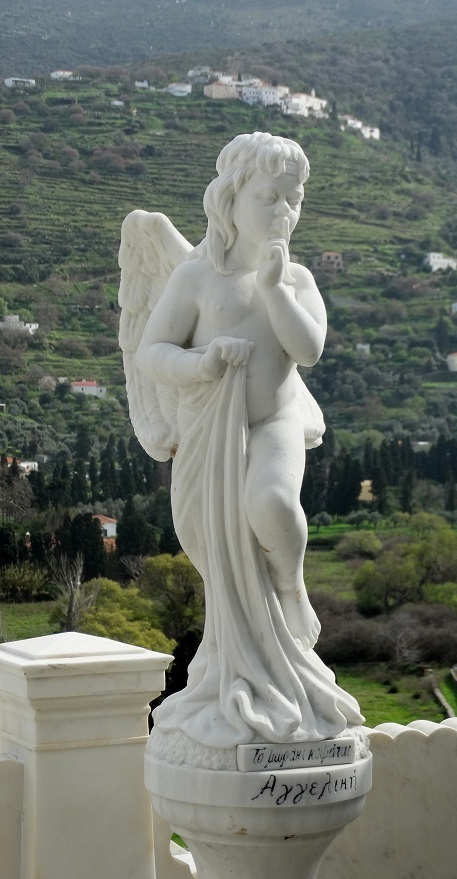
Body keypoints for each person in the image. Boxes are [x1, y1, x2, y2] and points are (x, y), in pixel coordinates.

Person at [128, 133, 363, 752]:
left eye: (294, 199)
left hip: (275, 421)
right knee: (214, 543)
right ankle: (240, 658)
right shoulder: (196, 278)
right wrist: (202, 363)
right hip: (212, 434)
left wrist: (276, 289)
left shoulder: (298, 279)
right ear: (230, 199)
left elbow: (307, 350)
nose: (284, 210)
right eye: (269, 197)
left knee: (274, 504)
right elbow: (152, 353)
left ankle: (291, 588)